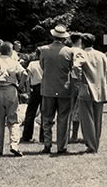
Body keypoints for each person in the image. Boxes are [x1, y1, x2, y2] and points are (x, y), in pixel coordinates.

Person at [0, 41, 28, 156]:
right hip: (11, 90)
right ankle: (14, 144)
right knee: (14, 120)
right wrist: (20, 86)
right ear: (10, 51)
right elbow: (25, 74)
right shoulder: (14, 62)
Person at [39, 25, 74, 155]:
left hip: (48, 88)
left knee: (47, 118)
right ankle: (61, 146)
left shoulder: (44, 50)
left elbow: (42, 66)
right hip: (64, 88)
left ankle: (47, 144)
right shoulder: (69, 52)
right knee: (63, 118)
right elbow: (71, 68)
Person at [73, 33, 107, 153]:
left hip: (87, 88)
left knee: (87, 118)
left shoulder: (81, 53)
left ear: (82, 43)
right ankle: (96, 144)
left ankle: (91, 145)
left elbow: (76, 66)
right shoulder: (101, 55)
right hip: (100, 89)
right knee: (98, 118)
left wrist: (79, 78)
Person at [20, 48, 44, 143]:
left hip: (35, 88)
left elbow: (27, 76)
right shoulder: (46, 63)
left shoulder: (33, 64)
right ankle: (43, 137)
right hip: (46, 87)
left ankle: (27, 135)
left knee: (30, 112)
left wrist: (28, 88)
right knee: (45, 113)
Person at [69, 32, 84, 143]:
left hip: (68, 81)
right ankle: (74, 135)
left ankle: (66, 134)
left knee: (68, 108)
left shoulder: (67, 51)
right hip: (78, 81)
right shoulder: (80, 52)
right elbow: (77, 66)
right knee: (78, 109)